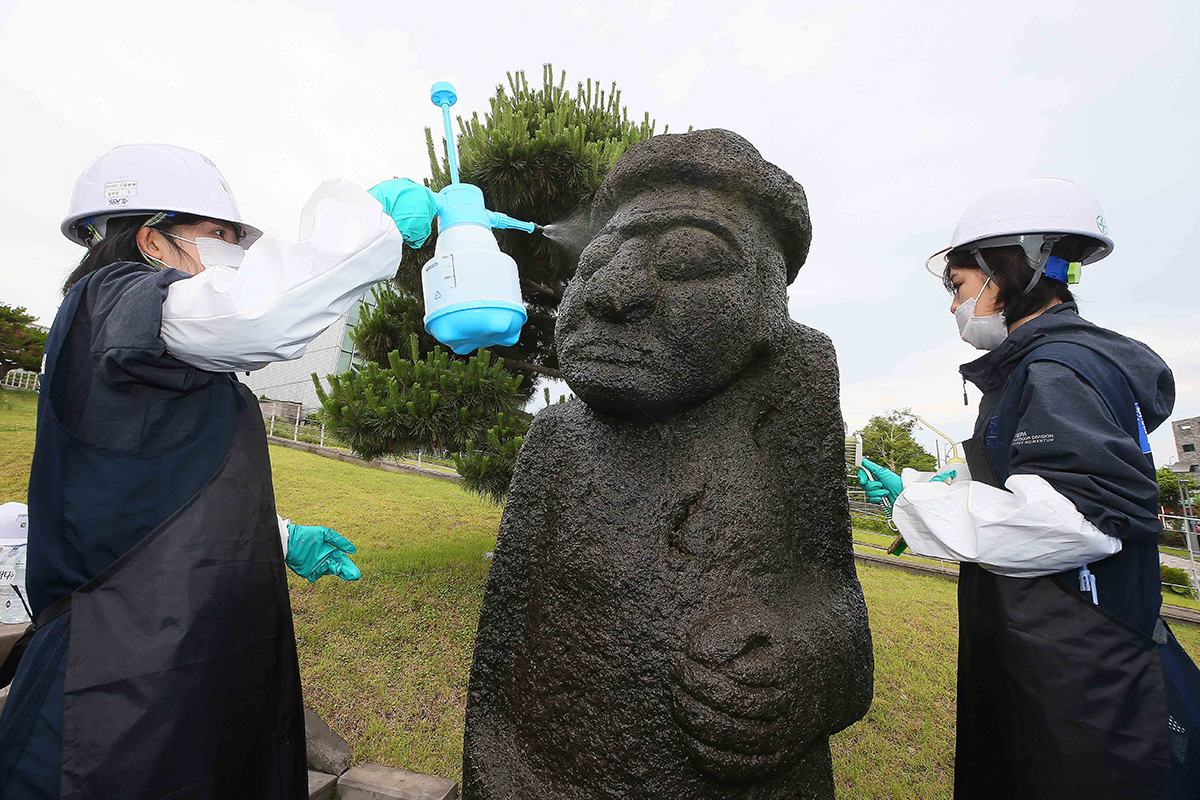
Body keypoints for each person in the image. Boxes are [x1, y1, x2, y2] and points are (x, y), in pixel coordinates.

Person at [0, 144, 438, 799]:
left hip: (178, 672)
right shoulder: (112, 298)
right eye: (221, 238)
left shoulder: (156, 347)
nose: (233, 256)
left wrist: (282, 538)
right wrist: (363, 219)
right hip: (116, 696)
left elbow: (152, 485)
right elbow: (261, 311)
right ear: (152, 239)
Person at [859, 177, 1200, 799]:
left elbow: (1073, 521)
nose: (956, 305)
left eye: (959, 285)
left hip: (1083, 677)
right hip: (1065, 654)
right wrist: (932, 484)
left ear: (1009, 269)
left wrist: (915, 503)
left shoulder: (1056, 369)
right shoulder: (1057, 366)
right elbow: (1032, 476)